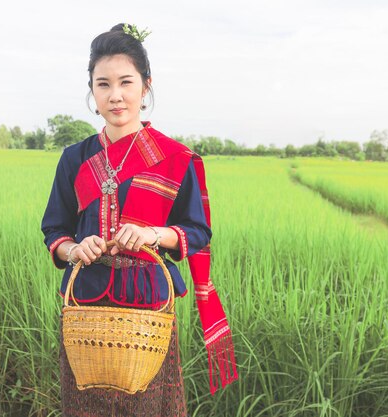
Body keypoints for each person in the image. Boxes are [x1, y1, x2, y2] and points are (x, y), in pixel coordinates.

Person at [41, 23, 238, 417]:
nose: (115, 96)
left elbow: (197, 232)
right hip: (86, 307)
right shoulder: (74, 158)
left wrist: (152, 233)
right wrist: (75, 247)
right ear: (92, 92)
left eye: (125, 82)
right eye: (103, 84)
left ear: (145, 87)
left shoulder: (174, 158)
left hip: (148, 308)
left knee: (147, 406)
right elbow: (54, 230)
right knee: (84, 405)